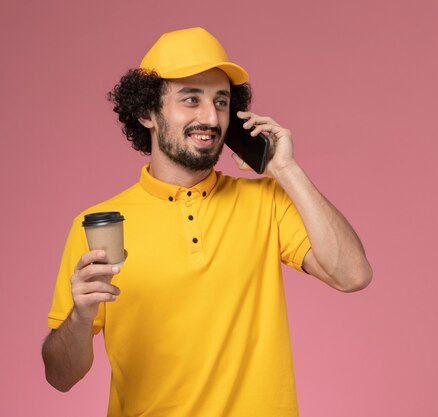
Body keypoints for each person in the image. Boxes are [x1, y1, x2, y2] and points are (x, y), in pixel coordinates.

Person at [42, 27, 372, 416]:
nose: (210, 117)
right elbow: (60, 376)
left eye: (221, 101)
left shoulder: (266, 202)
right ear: (146, 112)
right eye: (190, 100)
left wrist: (287, 170)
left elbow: (353, 275)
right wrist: (81, 316)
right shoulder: (100, 224)